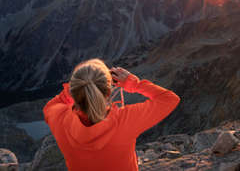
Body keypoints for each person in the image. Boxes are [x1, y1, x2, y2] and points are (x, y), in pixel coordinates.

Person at [43, 58, 180, 171]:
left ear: (75, 89)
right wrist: (133, 84)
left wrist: (76, 88)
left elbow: (51, 106)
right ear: (108, 91)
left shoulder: (59, 118)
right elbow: (169, 99)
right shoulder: (125, 120)